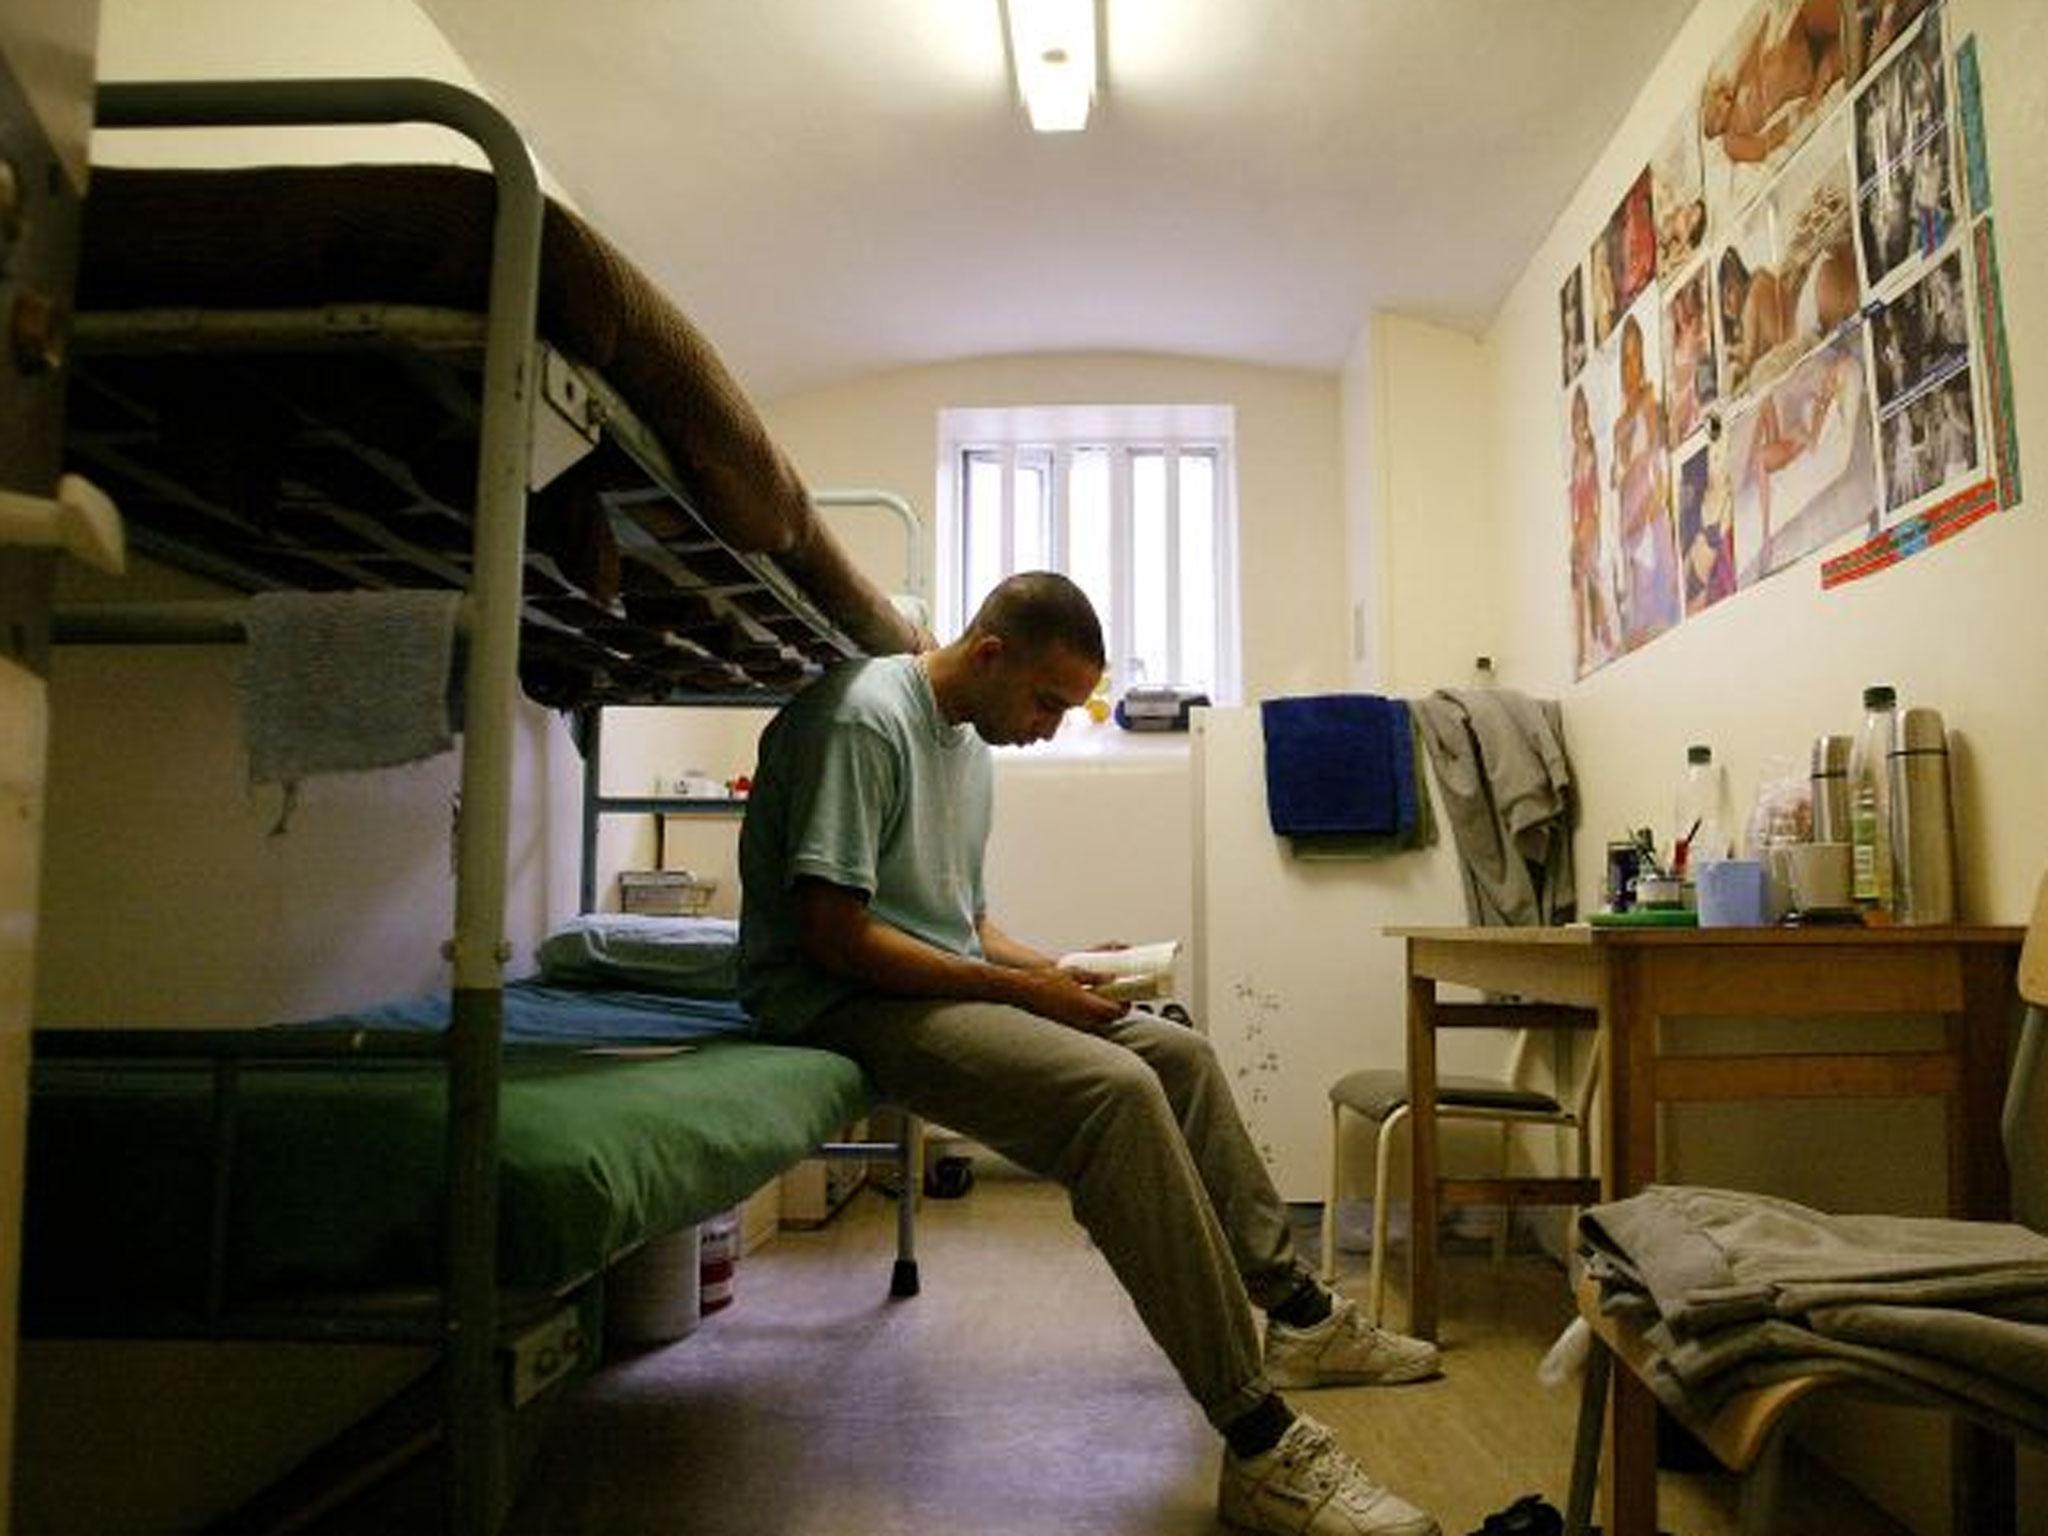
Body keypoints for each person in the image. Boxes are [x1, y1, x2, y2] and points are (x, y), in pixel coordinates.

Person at [738, 571, 1443, 1536]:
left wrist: (1064, 968)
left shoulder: (968, 747)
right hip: (831, 999)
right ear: (989, 654)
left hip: (903, 981)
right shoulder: (865, 721)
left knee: (1175, 1054)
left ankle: (1303, 1318)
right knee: (1114, 1090)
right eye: (1047, 702)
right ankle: (1259, 1437)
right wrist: (1027, 994)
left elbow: (961, 925)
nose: (1052, 727)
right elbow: (836, 937)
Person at [1701, 0, 1846, 165]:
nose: (1721, 109)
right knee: (1857, 28)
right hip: (1811, 72)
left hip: (1800, 30)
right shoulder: (1733, 143)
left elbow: (1757, 43)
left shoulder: (1732, 82)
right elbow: (1770, 142)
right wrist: (1811, 101)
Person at [1610, 317, 1680, 648]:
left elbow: (1657, 459)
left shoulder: (1650, 401)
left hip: (1651, 513)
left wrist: (1653, 506)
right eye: (1625, 359)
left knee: (1662, 612)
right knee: (1638, 622)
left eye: (1636, 356)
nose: (1630, 367)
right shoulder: (1618, 424)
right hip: (1629, 523)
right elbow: (1620, 480)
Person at [1568, 386, 1618, 673]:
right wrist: (1576, 538)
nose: (1578, 424)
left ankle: (1595, 644)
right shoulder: (1575, 459)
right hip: (1581, 529)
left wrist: (1589, 533)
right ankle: (1590, 647)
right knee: (1582, 585)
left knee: (1589, 581)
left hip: (1592, 525)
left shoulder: (1590, 454)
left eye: (1581, 417)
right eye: (1575, 418)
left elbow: (1596, 500)